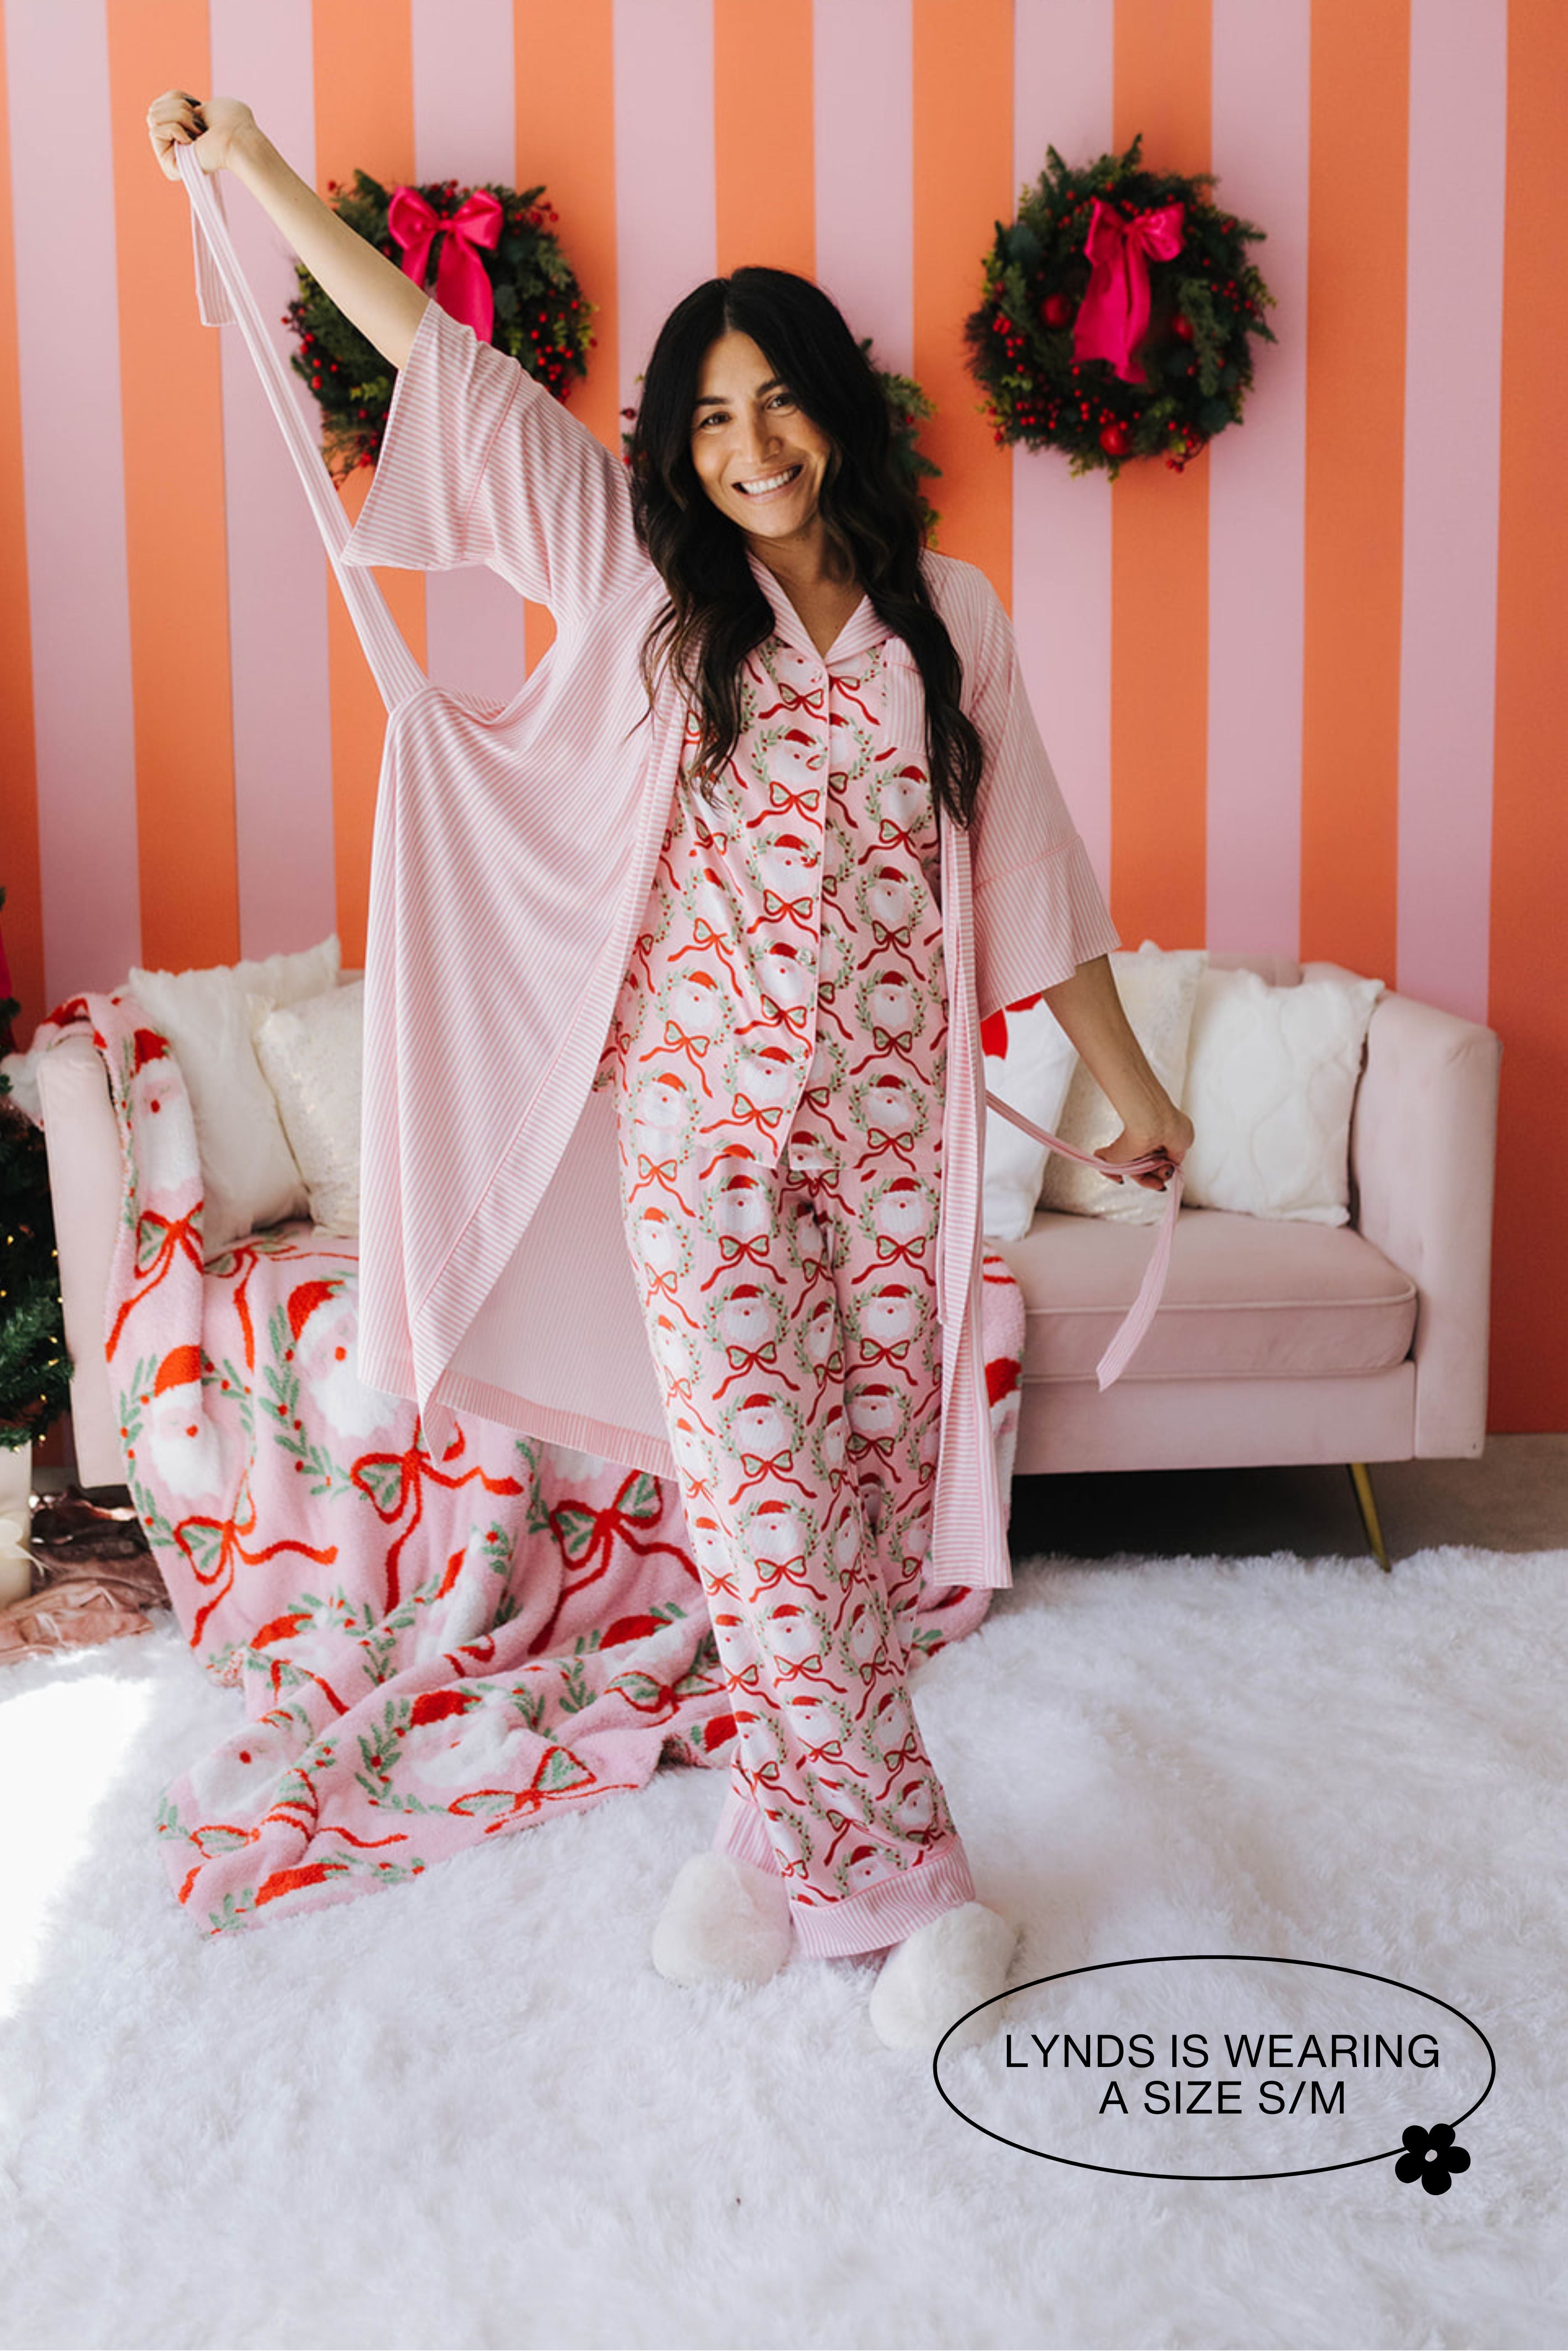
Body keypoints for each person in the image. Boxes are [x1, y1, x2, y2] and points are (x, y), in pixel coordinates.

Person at [146, 90, 1194, 2050]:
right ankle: (912, 1886)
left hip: (901, 1172)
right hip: (698, 1155)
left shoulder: (943, 624)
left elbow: (1035, 867)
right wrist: (256, 176)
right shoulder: (642, 592)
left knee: (859, 1528)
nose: (745, 451)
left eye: (772, 404)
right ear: (671, 446)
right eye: (706, 420)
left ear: (833, 410)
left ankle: (764, 1845)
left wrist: (1130, 1088)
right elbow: (440, 366)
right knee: (766, 1513)